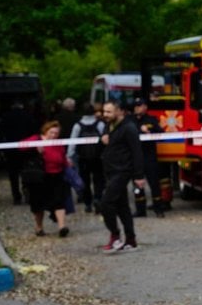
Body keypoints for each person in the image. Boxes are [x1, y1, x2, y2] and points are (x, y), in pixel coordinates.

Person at [100, 99, 145, 253]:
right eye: (104, 111)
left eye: (109, 111)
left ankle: (115, 236)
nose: (105, 114)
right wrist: (105, 137)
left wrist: (139, 175)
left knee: (106, 203)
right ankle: (131, 239)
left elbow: (137, 152)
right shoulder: (109, 126)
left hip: (122, 171)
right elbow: (108, 139)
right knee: (122, 206)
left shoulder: (129, 128)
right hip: (111, 170)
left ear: (119, 111)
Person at [20, 121, 72, 237]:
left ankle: (62, 226)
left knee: (59, 201)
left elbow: (62, 156)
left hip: (57, 175)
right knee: (38, 204)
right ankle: (39, 227)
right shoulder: (36, 138)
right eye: (51, 132)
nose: (53, 135)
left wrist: (67, 163)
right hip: (40, 177)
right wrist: (34, 147)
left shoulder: (59, 143)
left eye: (56, 133)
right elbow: (21, 146)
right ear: (45, 131)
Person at [68, 102, 106, 213]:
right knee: (99, 180)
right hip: (98, 157)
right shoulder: (100, 124)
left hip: (83, 158)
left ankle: (87, 203)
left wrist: (69, 156)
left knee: (85, 181)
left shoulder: (77, 125)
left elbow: (72, 142)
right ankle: (98, 198)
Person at [0, 100, 39, 204]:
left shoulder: (6, 117)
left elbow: (0, 133)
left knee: (13, 174)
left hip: (11, 150)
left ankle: (16, 196)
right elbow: (34, 132)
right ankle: (27, 191)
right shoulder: (28, 116)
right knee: (27, 172)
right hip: (27, 149)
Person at [131, 97, 165, 218]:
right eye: (136, 106)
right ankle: (140, 209)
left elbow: (161, 133)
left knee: (154, 183)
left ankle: (158, 208)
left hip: (149, 156)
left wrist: (149, 132)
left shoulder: (151, 120)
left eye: (141, 105)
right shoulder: (130, 121)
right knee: (137, 184)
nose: (138, 108)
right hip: (136, 157)